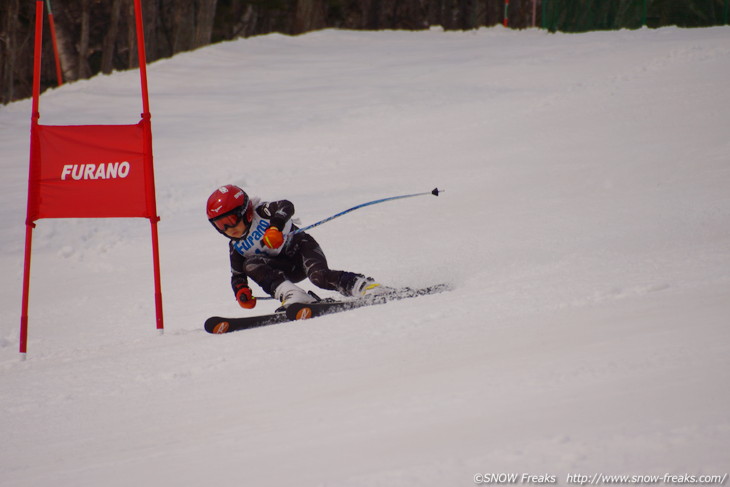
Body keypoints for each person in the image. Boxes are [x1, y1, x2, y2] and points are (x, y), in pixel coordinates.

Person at [206, 184, 382, 309]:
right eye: (220, 225)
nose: (229, 229)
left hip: (302, 249)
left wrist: (275, 227)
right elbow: (237, 276)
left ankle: (364, 286)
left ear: (246, 212)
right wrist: (241, 292)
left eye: (231, 220)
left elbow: (286, 205)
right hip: (284, 270)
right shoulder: (236, 246)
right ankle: (294, 295)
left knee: (319, 277)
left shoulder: (262, 212)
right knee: (250, 265)